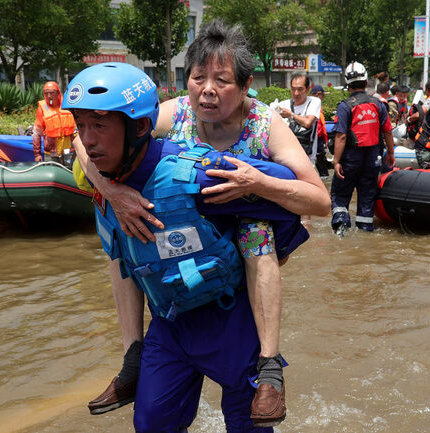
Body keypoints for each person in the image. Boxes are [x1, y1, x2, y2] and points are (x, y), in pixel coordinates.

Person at [70, 20, 330, 431]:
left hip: (241, 236)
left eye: (222, 80)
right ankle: (133, 355)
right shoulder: (173, 114)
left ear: (245, 87)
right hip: (180, 241)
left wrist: (258, 182)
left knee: (254, 229)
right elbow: (84, 139)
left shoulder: (265, 124)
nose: (207, 88)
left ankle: (268, 366)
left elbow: (320, 201)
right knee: (122, 228)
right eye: (198, 77)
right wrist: (112, 192)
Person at [330, 61, 395, 234]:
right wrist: (391, 154)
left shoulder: (345, 106)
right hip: (373, 158)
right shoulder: (379, 104)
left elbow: (341, 136)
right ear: (366, 83)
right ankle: (365, 229)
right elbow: (388, 132)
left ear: (347, 84)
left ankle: (341, 232)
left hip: (350, 159)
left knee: (340, 195)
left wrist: (336, 161)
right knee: (367, 196)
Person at [278, 73, 321, 162]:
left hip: (307, 159)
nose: (296, 93)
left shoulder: (314, 102)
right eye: (293, 89)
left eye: (300, 89)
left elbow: (308, 123)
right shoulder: (283, 105)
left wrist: (291, 115)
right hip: (286, 158)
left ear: (308, 89)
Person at [32, 81, 76, 162]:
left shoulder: (67, 104)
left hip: (69, 149)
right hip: (51, 150)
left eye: (52, 93)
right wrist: (37, 154)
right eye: (46, 93)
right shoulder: (42, 108)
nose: (49, 96)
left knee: (70, 172)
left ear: (58, 93)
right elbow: (36, 133)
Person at [311, 84, 331, 178]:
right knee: (319, 158)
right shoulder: (313, 107)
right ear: (317, 95)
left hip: (318, 138)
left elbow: (322, 125)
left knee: (320, 157)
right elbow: (320, 126)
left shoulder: (318, 107)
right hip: (315, 138)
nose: (323, 97)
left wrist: (325, 139)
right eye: (322, 95)